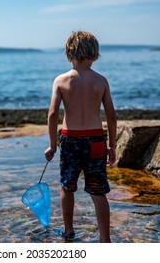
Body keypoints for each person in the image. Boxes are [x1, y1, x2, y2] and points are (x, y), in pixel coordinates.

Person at [44, 31, 117, 243]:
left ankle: (68, 231)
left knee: (67, 186)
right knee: (98, 191)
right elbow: (111, 116)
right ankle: (105, 239)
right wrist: (112, 145)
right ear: (94, 55)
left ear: (69, 53)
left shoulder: (61, 80)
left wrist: (52, 145)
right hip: (95, 140)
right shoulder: (101, 81)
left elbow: (52, 114)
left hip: (70, 140)